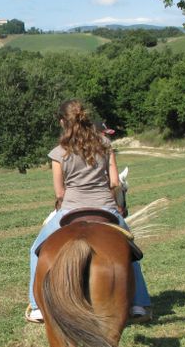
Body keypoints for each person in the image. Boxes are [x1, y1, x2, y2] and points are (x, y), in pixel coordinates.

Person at [26, 99, 151, 323]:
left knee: (36, 249)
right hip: (105, 207)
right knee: (131, 250)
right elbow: (114, 182)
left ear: (63, 122)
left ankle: (37, 307)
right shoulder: (105, 144)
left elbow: (60, 193)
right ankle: (138, 304)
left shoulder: (58, 152)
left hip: (70, 209)